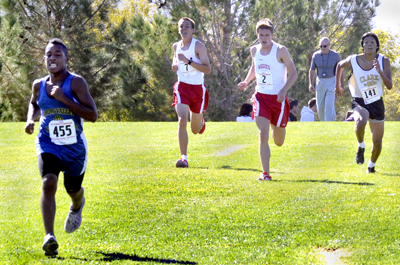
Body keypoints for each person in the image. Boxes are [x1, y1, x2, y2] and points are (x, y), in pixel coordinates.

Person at [24, 38, 98, 257]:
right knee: (49, 182)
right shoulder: (39, 84)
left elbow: (92, 115)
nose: (52, 58)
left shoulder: (76, 83)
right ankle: (49, 237)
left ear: (66, 58)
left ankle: (77, 205)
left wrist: (64, 99)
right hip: (48, 141)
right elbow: (34, 103)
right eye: (48, 55)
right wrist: (31, 119)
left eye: (57, 54)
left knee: (72, 190)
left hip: (74, 147)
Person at [238, 18, 298, 181]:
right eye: (261, 35)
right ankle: (265, 173)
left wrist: (283, 91)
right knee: (263, 134)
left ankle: (276, 126)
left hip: (278, 100)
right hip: (260, 97)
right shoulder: (254, 51)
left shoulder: (281, 50)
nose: (264, 38)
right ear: (257, 34)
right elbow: (254, 68)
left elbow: (294, 73)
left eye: (267, 35)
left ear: (272, 35)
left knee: (278, 141)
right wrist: (246, 81)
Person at [336, 32, 392, 173]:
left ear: (377, 46)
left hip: (377, 102)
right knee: (360, 121)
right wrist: (339, 85)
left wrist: (380, 72)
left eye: (372, 42)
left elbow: (390, 85)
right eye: (366, 42)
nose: (369, 45)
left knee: (378, 143)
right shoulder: (354, 59)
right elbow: (339, 66)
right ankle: (361, 146)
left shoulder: (383, 60)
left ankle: (371, 166)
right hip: (359, 100)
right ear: (362, 46)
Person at [171, 17, 211, 168]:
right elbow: (175, 62)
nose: (183, 29)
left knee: (195, 130)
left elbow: (208, 69)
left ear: (193, 30)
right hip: (182, 87)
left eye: (187, 26)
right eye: (181, 26)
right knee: (182, 119)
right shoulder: (176, 46)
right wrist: (175, 65)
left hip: (197, 89)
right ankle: (184, 158)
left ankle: (200, 122)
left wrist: (188, 61)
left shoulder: (198, 46)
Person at [309, 37, 341, 121]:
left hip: (331, 80)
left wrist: (340, 84)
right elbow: (312, 69)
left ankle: (329, 123)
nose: (323, 48)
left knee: (329, 104)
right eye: (321, 46)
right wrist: (310, 83)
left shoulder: (335, 55)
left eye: (325, 46)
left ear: (329, 45)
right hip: (320, 81)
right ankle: (324, 123)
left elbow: (341, 70)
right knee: (320, 106)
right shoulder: (316, 55)